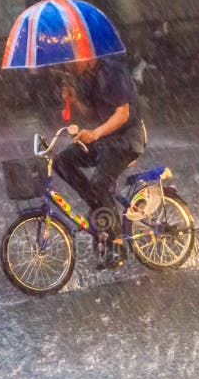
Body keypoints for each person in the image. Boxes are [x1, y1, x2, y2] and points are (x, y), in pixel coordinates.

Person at [54, 56, 147, 269]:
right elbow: (93, 113)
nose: (69, 65)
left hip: (126, 140)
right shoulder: (86, 78)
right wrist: (74, 99)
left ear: (88, 55)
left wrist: (95, 134)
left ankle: (117, 244)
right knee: (62, 161)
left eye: (72, 60)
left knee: (99, 184)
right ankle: (100, 210)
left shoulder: (113, 71)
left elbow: (123, 114)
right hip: (105, 141)